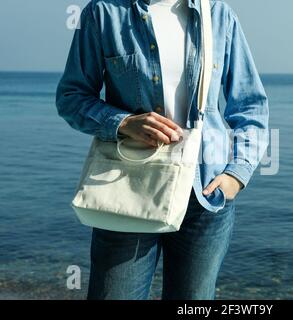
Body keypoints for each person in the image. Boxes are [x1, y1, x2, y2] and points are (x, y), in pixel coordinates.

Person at [56, 0, 269, 300]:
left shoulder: (219, 15)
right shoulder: (103, 13)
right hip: (129, 188)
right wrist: (124, 122)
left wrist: (237, 173)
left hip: (205, 195)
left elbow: (250, 105)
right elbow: (71, 97)